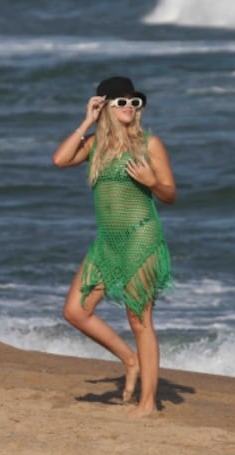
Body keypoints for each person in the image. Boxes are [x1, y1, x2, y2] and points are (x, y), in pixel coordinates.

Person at [52, 76, 176, 418]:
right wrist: (86, 121)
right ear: (104, 106)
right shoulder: (94, 146)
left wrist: (153, 183)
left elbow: (170, 193)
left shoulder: (149, 145)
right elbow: (60, 160)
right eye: (120, 102)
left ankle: (148, 403)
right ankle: (129, 359)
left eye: (133, 102)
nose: (128, 108)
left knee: (140, 320)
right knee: (75, 311)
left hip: (141, 237)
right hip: (107, 242)